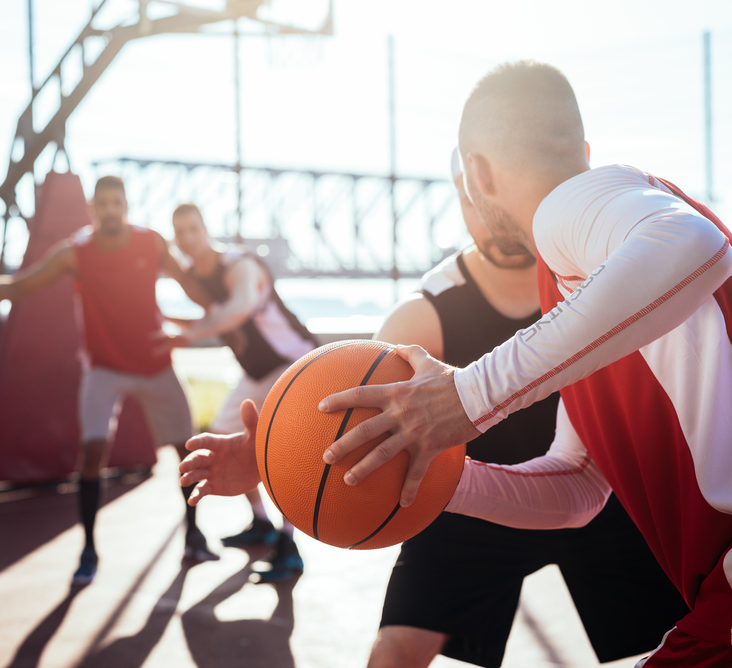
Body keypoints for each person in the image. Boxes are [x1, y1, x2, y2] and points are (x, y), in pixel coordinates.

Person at [308, 62, 732, 666]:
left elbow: (693, 245)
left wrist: (466, 397)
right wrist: (441, 481)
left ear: (475, 172)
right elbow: (578, 485)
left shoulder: (576, 208)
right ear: (580, 148)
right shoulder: (583, 281)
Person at [363, 150, 686, 668]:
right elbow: (347, 418)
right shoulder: (424, 313)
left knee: (688, 635)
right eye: (471, 196)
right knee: (398, 651)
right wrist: (267, 459)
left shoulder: (603, 281)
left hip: (603, 490)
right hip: (472, 495)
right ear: (464, 195)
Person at [0, 175, 219, 586]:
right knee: (91, 454)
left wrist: (234, 308)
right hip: (103, 369)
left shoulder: (151, 242)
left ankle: (193, 533)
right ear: (91, 208)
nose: (109, 210)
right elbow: (21, 286)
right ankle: (88, 549)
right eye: (101, 203)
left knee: (186, 449)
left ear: (126, 205)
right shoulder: (76, 253)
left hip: (155, 364)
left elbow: (193, 286)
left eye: (116, 202)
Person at [159, 202, 317, 582]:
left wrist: (186, 335)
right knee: (227, 440)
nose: (187, 238)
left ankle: (289, 545)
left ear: (206, 228)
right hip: (258, 373)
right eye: (180, 232)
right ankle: (261, 523)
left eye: (193, 229)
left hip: (295, 365)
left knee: (284, 456)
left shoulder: (239, 265)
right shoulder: (201, 278)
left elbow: (241, 306)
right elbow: (213, 318)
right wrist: (161, 318)